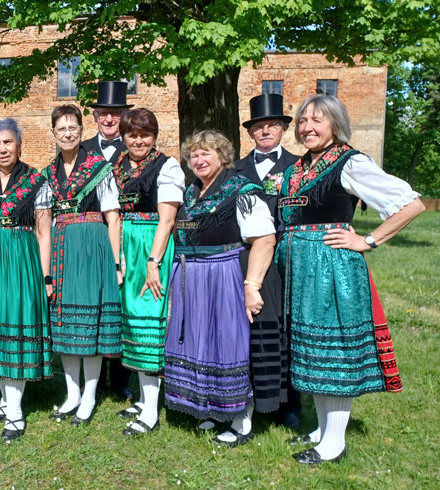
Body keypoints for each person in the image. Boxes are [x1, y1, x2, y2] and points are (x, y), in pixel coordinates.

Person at [277, 94, 423, 464]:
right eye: (303, 121)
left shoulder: (350, 162)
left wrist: (368, 240)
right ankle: (324, 429)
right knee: (312, 351)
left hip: (331, 267)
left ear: (335, 125)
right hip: (298, 268)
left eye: (317, 121)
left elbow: (410, 203)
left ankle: (333, 444)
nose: (307, 127)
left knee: (334, 351)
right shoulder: (297, 168)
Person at [163, 130, 276, 447]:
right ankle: (214, 408)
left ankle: (241, 421)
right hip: (191, 277)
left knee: (227, 343)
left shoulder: (242, 190)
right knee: (201, 344)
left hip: (224, 274)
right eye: (193, 155)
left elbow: (265, 239)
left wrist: (252, 286)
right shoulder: (191, 193)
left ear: (223, 156)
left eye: (205, 153)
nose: (198, 160)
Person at [0, 118, 53, 441]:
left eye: (8, 142)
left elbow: (44, 233)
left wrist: (45, 275)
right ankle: (6, 400)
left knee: (15, 324)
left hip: (21, 257)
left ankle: (15, 412)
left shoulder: (36, 180)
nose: (2, 149)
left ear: (19, 144)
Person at [109, 108, 185, 436]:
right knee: (133, 326)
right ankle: (144, 399)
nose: (138, 140)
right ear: (123, 136)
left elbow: (167, 219)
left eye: (145, 134)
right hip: (127, 246)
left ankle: (151, 412)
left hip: (151, 247)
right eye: (132, 134)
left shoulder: (166, 166)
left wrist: (153, 262)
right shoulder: (118, 166)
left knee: (148, 325)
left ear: (154, 136)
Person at [45, 104, 122, 426]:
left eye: (72, 128)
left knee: (89, 324)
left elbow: (113, 215)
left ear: (81, 130)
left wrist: (117, 262)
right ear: (53, 133)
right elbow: (43, 220)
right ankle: (72, 393)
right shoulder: (48, 172)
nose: (67, 134)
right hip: (62, 249)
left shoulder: (98, 166)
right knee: (65, 324)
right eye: (61, 129)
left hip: (92, 247)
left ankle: (90, 395)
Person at [234, 93, 301, 429]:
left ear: (283, 129)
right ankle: (249, 393)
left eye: (271, 125)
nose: (265, 132)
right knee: (251, 327)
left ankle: (289, 402)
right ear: (250, 133)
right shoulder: (236, 169)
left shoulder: (298, 167)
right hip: (249, 256)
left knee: (288, 327)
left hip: (288, 253)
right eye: (258, 127)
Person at [79, 80, 133, 398]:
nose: (110, 120)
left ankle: (122, 379)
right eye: (104, 114)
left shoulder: (135, 148)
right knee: (95, 303)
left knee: (121, 305)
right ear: (96, 117)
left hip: (129, 233)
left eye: (115, 114)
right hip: (94, 234)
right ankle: (94, 381)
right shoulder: (82, 149)